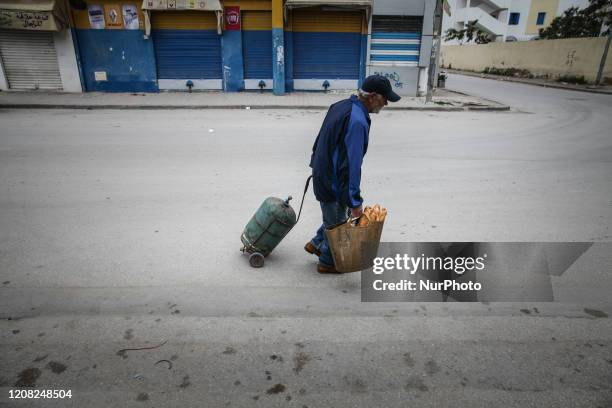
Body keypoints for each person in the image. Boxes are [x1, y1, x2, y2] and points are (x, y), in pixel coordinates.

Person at [304, 75, 401, 273]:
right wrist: (355, 201)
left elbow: (319, 139)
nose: (386, 104)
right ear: (373, 97)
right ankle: (328, 262)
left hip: (323, 171)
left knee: (336, 216)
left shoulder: (340, 105)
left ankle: (315, 243)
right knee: (339, 224)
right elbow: (351, 165)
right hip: (333, 180)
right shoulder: (357, 121)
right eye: (385, 99)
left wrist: (316, 165)